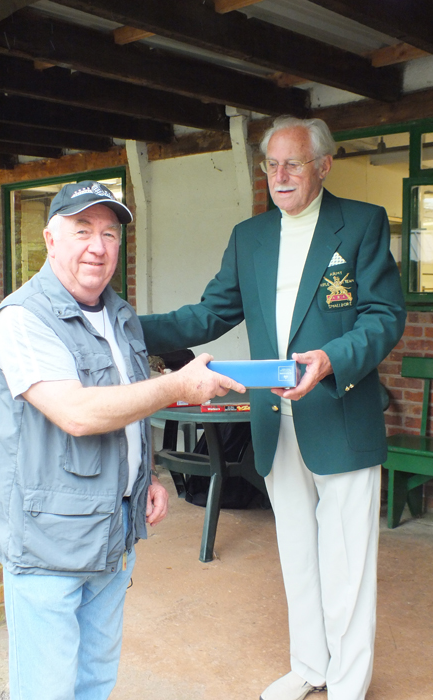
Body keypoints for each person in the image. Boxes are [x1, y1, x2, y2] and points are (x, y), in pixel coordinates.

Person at [140, 117, 406, 700]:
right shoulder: (250, 236)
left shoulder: (360, 224)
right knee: (298, 556)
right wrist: (129, 327)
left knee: (348, 565)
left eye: (293, 163)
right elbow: (208, 315)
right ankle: (310, 666)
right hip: (274, 421)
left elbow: (384, 317)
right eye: (271, 165)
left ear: (323, 166)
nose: (279, 176)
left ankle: (347, 682)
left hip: (339, 412)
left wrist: (331, 359)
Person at [0, 180, 245, 700]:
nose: (98, 247)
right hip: (48, 548)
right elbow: (78, 413)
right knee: (48, 691)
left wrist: (142, 477)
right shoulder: (22, 319)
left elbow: (125, 407)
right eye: (82, 230)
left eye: (109, 233)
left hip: (112, 535)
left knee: (95, 684)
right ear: (50, 239)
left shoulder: (120, 314)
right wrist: (177, 385)